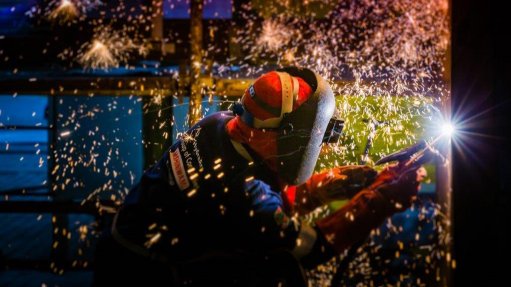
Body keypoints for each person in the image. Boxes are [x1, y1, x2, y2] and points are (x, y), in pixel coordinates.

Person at [93, 67, 426, 286]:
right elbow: (310, 248)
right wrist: (380, 201)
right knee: (281, 270)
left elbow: (257, 208)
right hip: (142, 277)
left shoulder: (219, 123)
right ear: (286, 136)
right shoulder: (242, 191)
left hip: (122, 249)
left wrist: (327, 187)